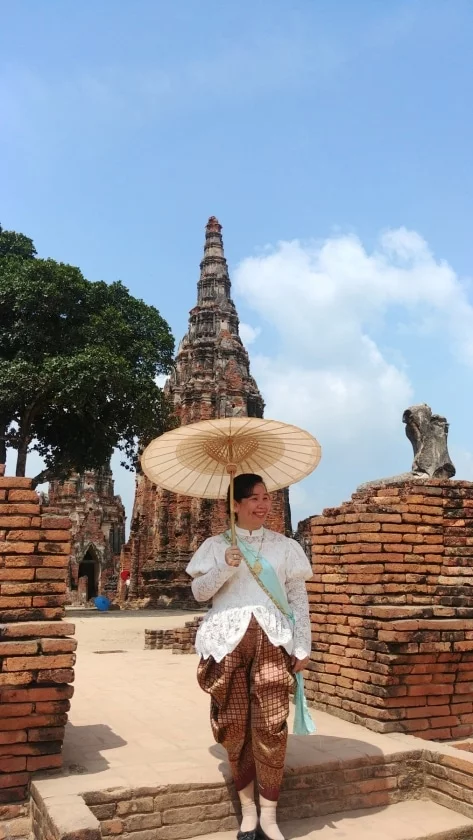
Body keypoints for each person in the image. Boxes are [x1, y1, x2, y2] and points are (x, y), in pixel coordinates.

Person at [186, 474, 313, 840]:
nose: (262, 505)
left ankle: (270, 815)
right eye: (253, 498)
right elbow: (198, 593)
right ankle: (248, 812)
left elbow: (298, 599)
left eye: (266, 498)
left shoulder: (285, 547)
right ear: (235, 505)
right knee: (235, 723)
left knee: (271, 724)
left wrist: (302, 645)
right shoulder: (214, 546)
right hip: (226, 642)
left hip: (273, 640)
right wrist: (225, 564)